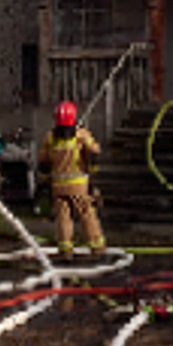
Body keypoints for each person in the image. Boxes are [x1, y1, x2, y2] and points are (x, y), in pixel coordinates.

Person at [39, 100, 104, 262]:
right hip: (79, 186)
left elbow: (43, 163)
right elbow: (96, 153)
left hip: (58, 187)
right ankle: (97, 249)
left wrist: (44, 182)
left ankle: (66, 252)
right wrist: (92, 173)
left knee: (63, 219)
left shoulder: (50, 138)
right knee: (87, 215)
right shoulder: (81, 136)